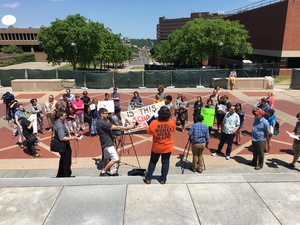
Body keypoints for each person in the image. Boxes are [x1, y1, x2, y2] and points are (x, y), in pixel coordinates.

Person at [97, 108, 135, 177]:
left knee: (106, 158)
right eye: (106, 113)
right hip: (108, 143)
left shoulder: (99, 121)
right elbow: (116, 127)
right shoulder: (102, 122)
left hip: (104, 143)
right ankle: (103, 171)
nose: (107, 114)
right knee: (115, 158)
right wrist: (129, 127)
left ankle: (106, 170)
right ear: (101, 114)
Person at [143, 106, 176, 184]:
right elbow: (173, 130)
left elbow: (148, 132)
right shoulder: (171, 122)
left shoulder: (154, 123)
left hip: (157, 147)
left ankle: (148, 178)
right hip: (168, 146)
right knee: (165, 162)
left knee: (153, 162)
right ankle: (163, 179)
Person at [53, 110, 79, 177]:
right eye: (64, 116)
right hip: (63, 145)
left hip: (60, 144)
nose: (66, 116)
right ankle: (67, 175)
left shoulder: (56, 122)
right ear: (60, 117)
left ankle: (60, 174)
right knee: (66, 160)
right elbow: (61, 137)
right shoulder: (60, 125)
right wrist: (73, 138)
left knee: (63, 159)